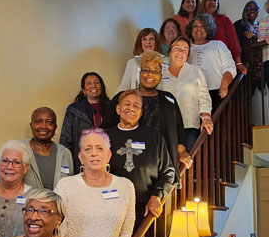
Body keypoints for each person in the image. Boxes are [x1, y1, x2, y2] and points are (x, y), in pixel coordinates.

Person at [55, 128, 135, 237]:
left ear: (108, 155)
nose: (94, 154)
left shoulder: (125, 186)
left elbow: (125, 235)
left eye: (99, 148)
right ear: (80, 157)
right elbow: (57, 232)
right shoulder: (66, 186)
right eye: (88, 149)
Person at [105, 50, 189, 174]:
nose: (150, 74)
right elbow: (106, 130)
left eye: (155, 71)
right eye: (146, 70)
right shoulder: (123, 97)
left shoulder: (169, 100)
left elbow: (179, 130)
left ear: (161, 75)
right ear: (139, 73)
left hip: (162, 167)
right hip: (127, 166)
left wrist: (181, 152)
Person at [104, 90, 177, 220]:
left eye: (136, 106)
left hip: (146, 209)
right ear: (118, 109)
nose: (131, 108)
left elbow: (169, 172)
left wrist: (157, 196)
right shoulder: (104, 137)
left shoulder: (154, 137)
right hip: (111, 208)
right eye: (127, 104)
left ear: (141, 112)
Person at [0, 107, 73, 189]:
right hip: (23, 210)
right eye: (38, 121)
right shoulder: (15, 149)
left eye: (49, 122)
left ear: (55, 127)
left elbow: (70, 188)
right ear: (31, 126)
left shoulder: (65, 153)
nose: (44, 126)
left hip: (56, 211)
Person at [161, 36, 212, 149]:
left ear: (188, 55)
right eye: (177, 48)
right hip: (165, 127)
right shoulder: (160, 73)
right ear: (169, 51)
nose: (180, 52)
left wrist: (206, 117)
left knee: (187, 162)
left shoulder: (195, 71)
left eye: (185, 50)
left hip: (189, 126)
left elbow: (204, 96)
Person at [0, 140, 34, 237]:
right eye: (5, 161)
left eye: (16, 162)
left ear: (25, 168)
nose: (9, 167)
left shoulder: (34, 197)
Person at [186, 13, 236, 109]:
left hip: (217, 92)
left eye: (203, 27)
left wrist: (224, 85)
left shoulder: (218, 45)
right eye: (195, 26)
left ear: (209, 29)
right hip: (193, 94)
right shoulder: (186, 47)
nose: (198, 29)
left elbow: (230, 67)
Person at [60, 72, 108, 167]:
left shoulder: (111, 108)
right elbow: (65, 141)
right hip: (81, 163)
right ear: (84, 90)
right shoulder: (74, 110)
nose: (93, 86)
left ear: (101, 87)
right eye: (89, 83)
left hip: (106, 161)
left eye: (96, 82)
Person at [199, 0, 246, 76]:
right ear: (204, 2)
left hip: (222, 62)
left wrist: (238, 63)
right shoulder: (198, 20)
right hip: (203, 62)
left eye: (215, 1)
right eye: (210, 0)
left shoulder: (224, 20)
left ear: (217, 5)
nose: (212, 2)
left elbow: (233, 42)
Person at [233, 0, 260, 81]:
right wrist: (244, 34)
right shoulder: (238, 24)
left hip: (258, 64)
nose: (252, 11)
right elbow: (234, 42)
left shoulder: (261, 25)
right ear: (245, 10)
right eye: (249, 8)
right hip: (244, 61)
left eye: (255, 9)